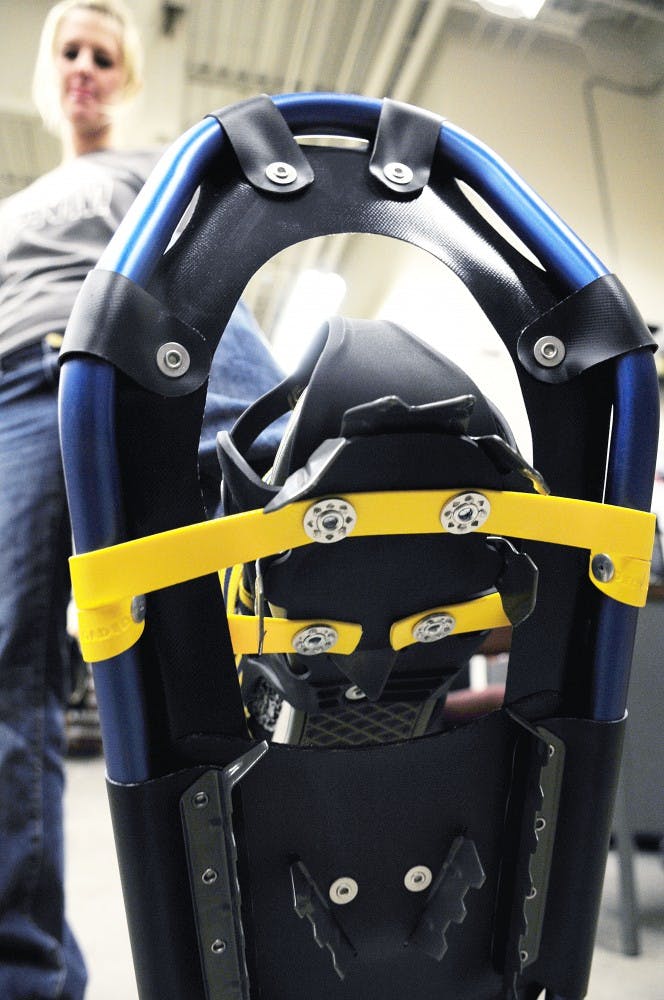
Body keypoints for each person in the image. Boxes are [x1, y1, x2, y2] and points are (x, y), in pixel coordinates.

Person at [0, 2, 284, 997]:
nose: (82, 66)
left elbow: (215, 293)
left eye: (101, 54)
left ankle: (297, 468)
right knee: (7, 665)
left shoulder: (152, 170)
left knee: (235, 609)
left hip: (135, 360)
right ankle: (24, 973)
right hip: (17, 389)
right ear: (50, 76)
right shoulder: (15, 207)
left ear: (123, 79)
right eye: (67, 52)